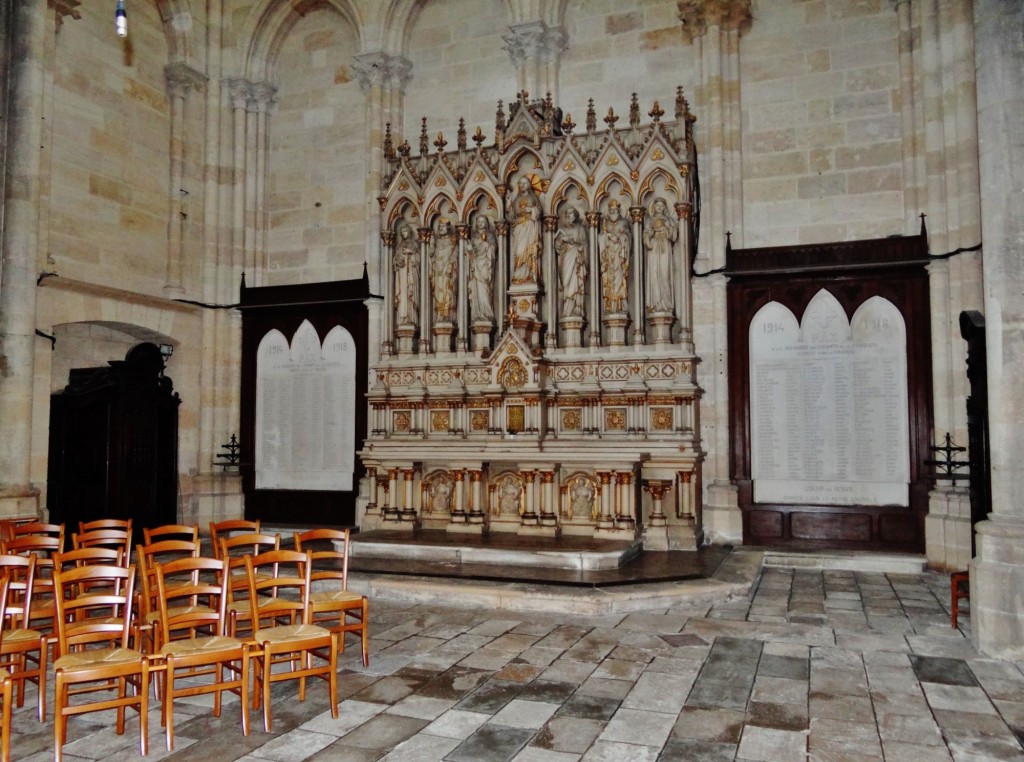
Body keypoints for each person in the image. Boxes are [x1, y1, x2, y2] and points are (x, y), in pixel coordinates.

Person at [644, 197, 677, 313]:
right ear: (654, 207)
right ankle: (656, 303)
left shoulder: (669, 220)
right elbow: (646, 234)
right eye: (657, 205)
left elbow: (673, 235)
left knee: (664, 274)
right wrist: (651, 235)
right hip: (653, 248)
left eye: (661, 206)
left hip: (664, 248)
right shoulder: (650, 220)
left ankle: (665, 303)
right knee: (654, 274)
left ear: (665, 207)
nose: (659, 207)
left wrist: (667, 229)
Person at [555, 205, 587, 318]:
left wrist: (578, 247)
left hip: (576, 259)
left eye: (571, 213)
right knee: (566, 283)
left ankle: (575, 308)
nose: (569, 215)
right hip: (566, 258)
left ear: (576, 216)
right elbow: (557, 247)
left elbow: (584, 245)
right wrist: (562, 240)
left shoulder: (580, 229)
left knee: (575, 282)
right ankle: (566, 308)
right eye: (567, 213)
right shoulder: (562, 229)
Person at [508, 176, 541, 285]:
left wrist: (531, 209)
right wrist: (508, 205)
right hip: (519, 228)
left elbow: (539, 211)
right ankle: (519, 275)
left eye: (525, 183)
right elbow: (511, 217)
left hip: (529, 226)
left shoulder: (534, 198)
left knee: (528, 250)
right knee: (519, 251)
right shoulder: (516, 199)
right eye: (520, 183)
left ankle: (529, 275)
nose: (522, 185)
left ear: (529, 185)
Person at [600, 200, 630, 314]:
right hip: (608, 259)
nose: (613, 212)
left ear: (619, 211)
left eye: (615, 210)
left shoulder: (623, 223)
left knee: (619, 280)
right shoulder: (605, 224)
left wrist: (621, 238)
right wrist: (606, 236)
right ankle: (610, 306)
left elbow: (628, 237)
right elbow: (600, 238)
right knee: (609, 282)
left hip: (619, 258)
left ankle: (619, 305)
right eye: (611, 211)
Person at [469, 215, 496, 323]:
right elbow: (471, 253)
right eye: (479, 222)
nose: (481, 224)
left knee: (485, 289)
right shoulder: (474, 236)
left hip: (485, 265)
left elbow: (493, 250)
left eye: (483, 221)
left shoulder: (490, 236)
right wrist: (470, 250)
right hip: (476, 266)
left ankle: (486, 312)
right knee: (477, 289)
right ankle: (478, 313)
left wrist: (487, 245)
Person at [430, 218, 458, 324]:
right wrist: (432, 242)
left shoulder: (452, 241)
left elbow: (455, 255)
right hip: (438, 271)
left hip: (447, 271)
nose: (441, 229)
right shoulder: (437, 241)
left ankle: (447, 315)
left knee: (448, 291)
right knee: (438, 292)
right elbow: (430, 254)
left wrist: (452, 264)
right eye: (439, 227)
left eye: (443, 226)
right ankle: (439, 314)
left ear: (448, 228)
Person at [393, 222, 419, 327]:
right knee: (402, 295)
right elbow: (395, 259)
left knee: (409, 294)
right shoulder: (399, 246)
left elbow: (418, 259)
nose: (404, 233)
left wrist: (411, 253)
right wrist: (398, 261)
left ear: (409, 232)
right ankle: (402, 319)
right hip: (402, 274)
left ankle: (411, 318)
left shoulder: (414, 244)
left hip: (410, 274)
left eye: (405, 231)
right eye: (402, 231)